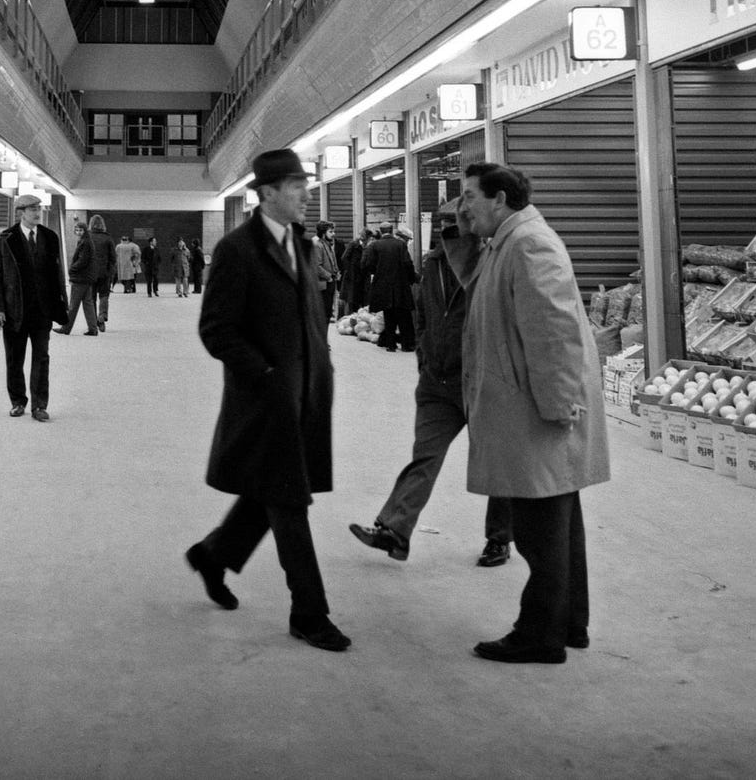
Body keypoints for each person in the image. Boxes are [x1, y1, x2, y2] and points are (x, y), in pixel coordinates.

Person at [442, 161, 610, 665]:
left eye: (470, 196)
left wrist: (560, 406)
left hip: (538, 414)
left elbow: (553, 331)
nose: (462, 206)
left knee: (540, 533)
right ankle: (569, 623)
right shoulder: (505, 241)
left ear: (499, 198)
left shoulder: (530, 244)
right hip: (528, 408)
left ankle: (540, 634)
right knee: (557, 527)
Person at [184, 148, 350, 653]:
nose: (305, 195)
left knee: (270, 491)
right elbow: (216, 329)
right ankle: (310, 613)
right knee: (288, 503)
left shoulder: (300, 243)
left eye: (306, 185)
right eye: (296, 186)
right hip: (265, 399)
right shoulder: (238, 250)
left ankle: (213, 556)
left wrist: (318, 367)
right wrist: (267, 372)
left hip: (305, 394)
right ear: (268, 193)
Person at [348, 199, 513, 565]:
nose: (445, 229)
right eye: (441, 223)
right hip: (437, 383)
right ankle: (395, 531)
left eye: (453, 222)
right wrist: (423, 356)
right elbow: (423, 314)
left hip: (482, 383)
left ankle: (500, 538)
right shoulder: (433, 263)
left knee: (496, 462)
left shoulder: (491, 263)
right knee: (424, 457)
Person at [0, 191, 69, 421]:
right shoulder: (7, 239)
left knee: (41, 358)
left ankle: (39, 406)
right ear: (21, 213)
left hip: (43, 310)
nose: (38, 213)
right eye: (33, 209)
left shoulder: (49, 237)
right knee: (14, 358)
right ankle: (17, 401)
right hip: (14, 311)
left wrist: (62, 302)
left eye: (39, 208)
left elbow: (57, 273)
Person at [363, 222, 417, 352]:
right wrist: (411, 279)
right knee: (403, 316)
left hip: (383, 286)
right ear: (392, 230)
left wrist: (377, 273)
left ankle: (391, 345)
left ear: (381, 232)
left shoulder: (375, 245)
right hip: (400, 285)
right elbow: (407, 263)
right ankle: (406, 345)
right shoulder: (400, 245)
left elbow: (368, 264)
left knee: (388, 315)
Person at [56, 221, 99, 336]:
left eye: (80, 230)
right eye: (77, 230)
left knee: (73, 305)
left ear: (85, 231)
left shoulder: (84, 243)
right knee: (88, 304)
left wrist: (72, 269)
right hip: (87, 278)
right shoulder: (87, 241)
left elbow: (82, 260)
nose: (78, 232)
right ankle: (93, 328)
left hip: (80, 278)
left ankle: (66, 328)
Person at [87, 214, 116, 331]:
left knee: (91, 298)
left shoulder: (86, 237)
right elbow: (113, 258)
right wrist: (110, 272)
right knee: (104, 296)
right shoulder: (108, 238)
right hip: (104, 272)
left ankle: (94, 320)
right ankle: (102, 316)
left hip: (90, 273)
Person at [312, 221, 340, 324]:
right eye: (331, 231)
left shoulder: (327, 245)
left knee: (327, 312)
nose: (333, 234)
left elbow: (332, 261)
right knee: (323, 313)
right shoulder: (318, 245)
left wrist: (336, 272)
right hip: (323, 284)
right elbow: (316, 265)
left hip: (330, 282)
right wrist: (328, 276)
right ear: (323, 233)